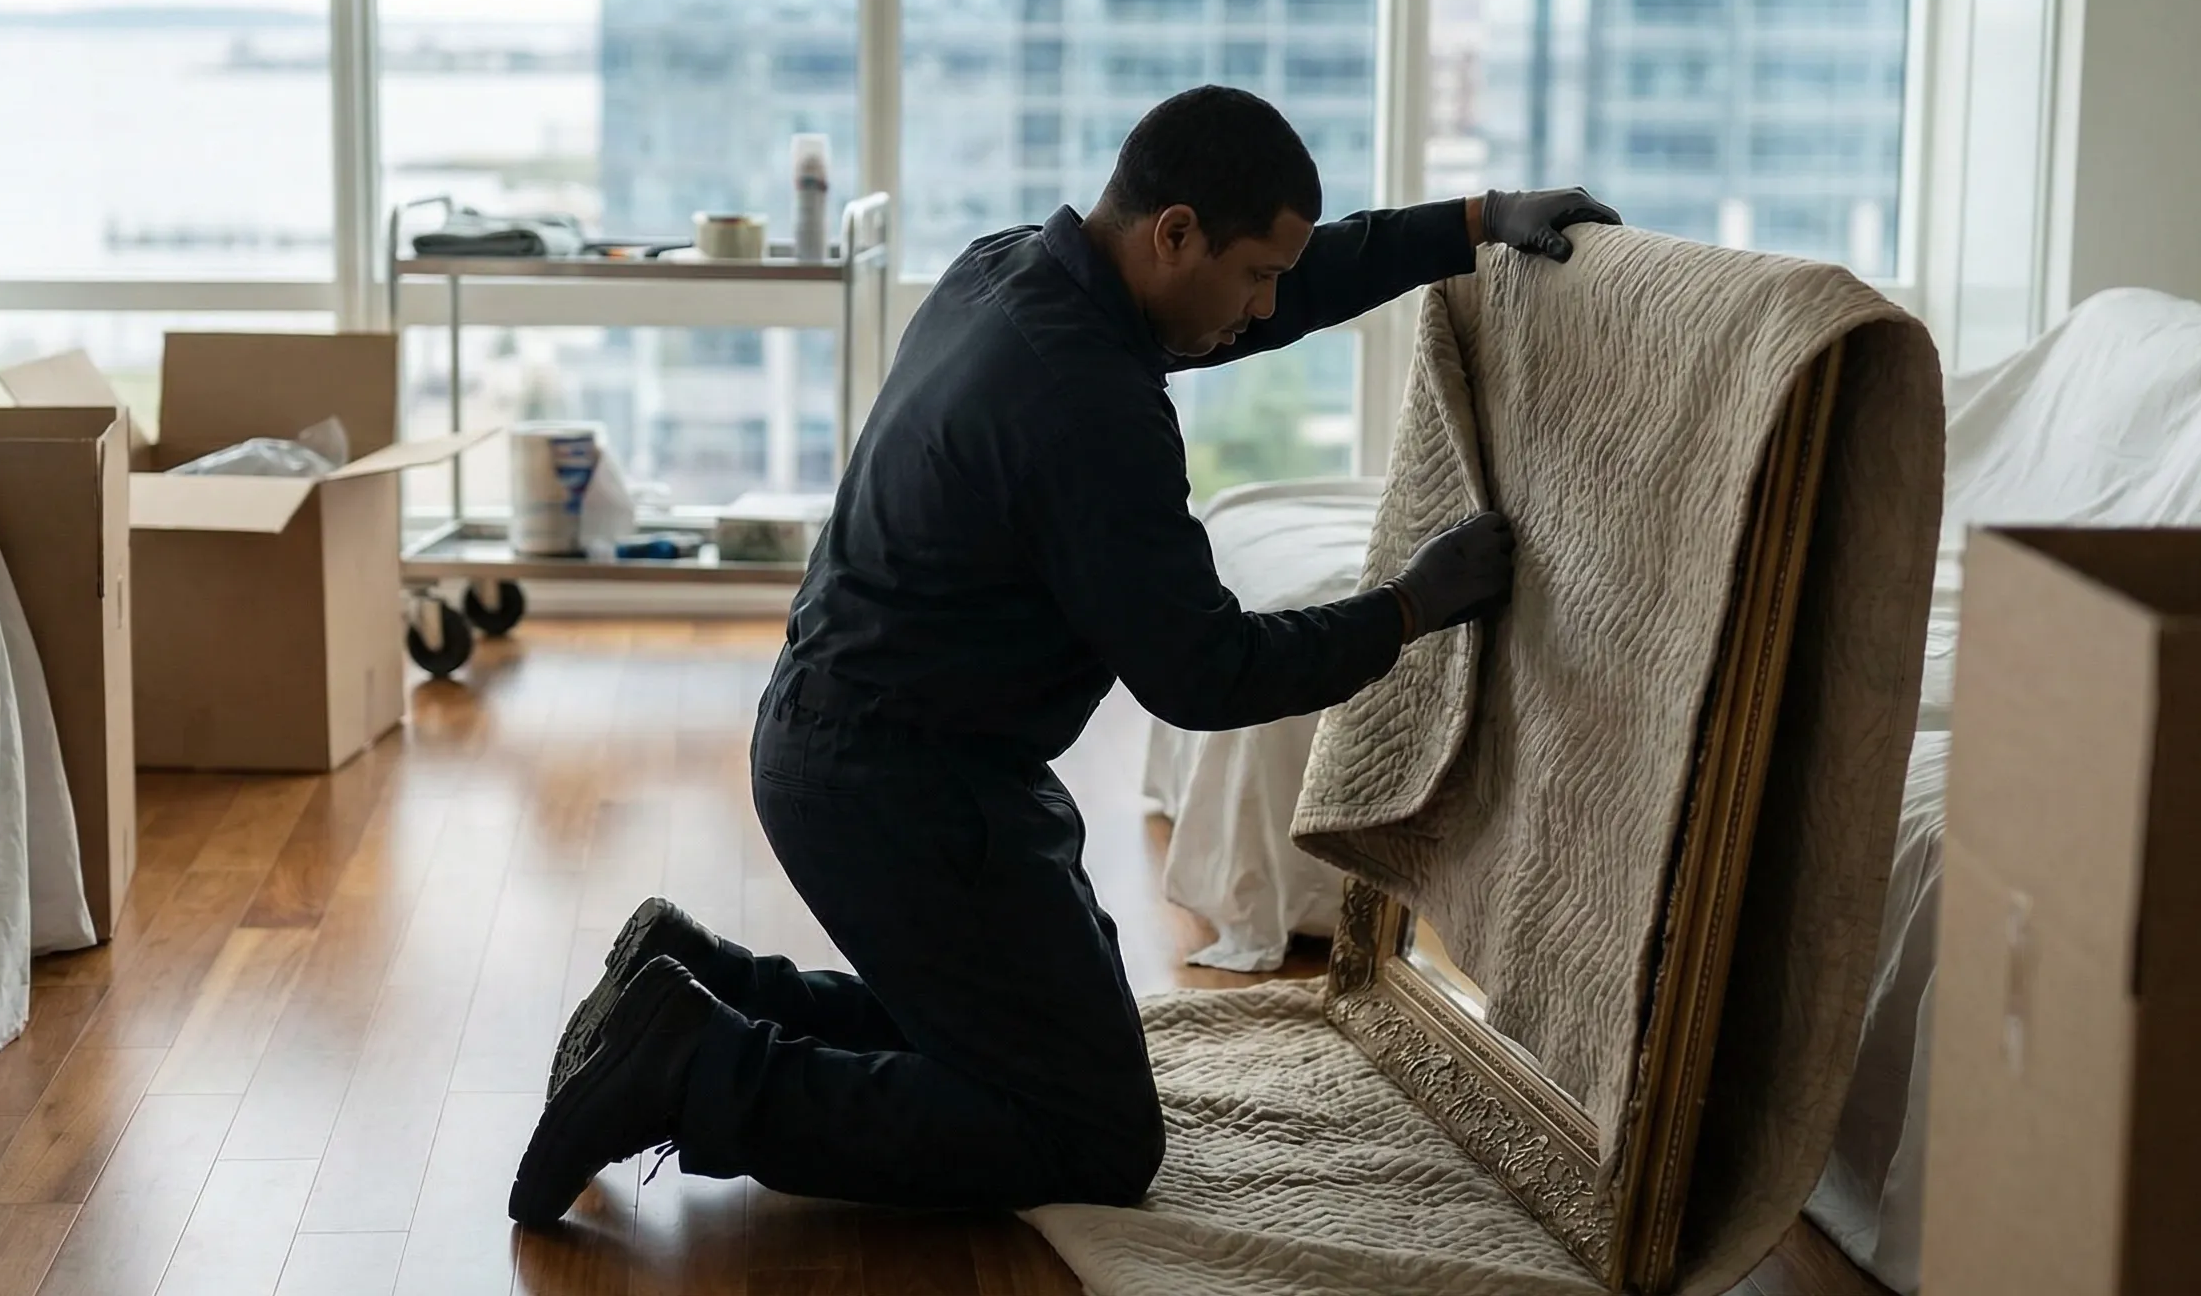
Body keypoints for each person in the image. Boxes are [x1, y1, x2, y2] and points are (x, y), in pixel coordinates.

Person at [510, 84, 1619, 1225]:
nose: (1266, 306)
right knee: (1089, 1131)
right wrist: (1406, 608)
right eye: (1253, 275)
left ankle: (694, 979)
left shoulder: (1013, 272)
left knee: (999, 1036)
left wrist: (1475, 219)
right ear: (1173, 233)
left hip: (847, 745)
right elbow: (1203, 673)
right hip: (902, 792)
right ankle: (688, 1068)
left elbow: (1280, 291)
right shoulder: (1084, 401)